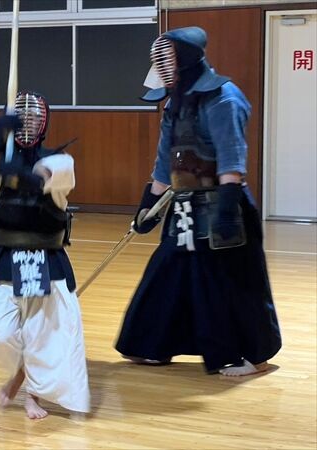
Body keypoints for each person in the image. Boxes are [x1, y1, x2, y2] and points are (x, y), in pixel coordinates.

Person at [115, 27, 281, 376]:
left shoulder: (224, 98)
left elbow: (231, 159)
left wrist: (227, 210)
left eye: (168, 60)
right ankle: (154, 346)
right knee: (168, 273)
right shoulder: (174, 103)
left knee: (233, 282)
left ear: (186, 59)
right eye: (159, 61)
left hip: (225, 205)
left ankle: (255, 357)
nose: (163, 69)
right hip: (185, 206)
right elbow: (166, 161)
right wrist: (148, 206)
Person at [0, 91, 90, 418]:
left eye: (34, 117)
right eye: (20, 117)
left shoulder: (61, 162)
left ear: (44, 123)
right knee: (2, 334)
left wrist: (13, 169)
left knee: (42, 335)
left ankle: (33, 393)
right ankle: (19, 374)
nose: (27, 122)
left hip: (44, 260)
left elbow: (39, 181)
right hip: (2, 257)